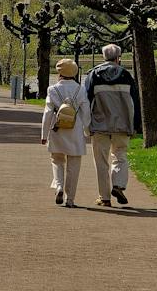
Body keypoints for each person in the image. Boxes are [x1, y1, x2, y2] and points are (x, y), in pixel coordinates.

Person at [82, 43, 140, 207]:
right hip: (122, 124)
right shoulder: (126, 75)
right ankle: (118, 185)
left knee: (101, 161)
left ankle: (104, 197)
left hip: (99, 124)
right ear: (118, 58)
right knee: (120, 155)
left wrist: (86, 125)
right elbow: (135, 102)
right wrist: (135, 125)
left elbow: (86, 101)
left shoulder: (93, 75)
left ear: (103, 57)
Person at [41, 57, 89, 207]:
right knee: (74, 165)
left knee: (57, 160)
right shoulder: (80, 89)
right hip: (75, 130)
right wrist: (86, 130)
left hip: (58, 129)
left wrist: (44, 134)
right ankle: (70, 199)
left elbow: (48, 112)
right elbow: (86, 113)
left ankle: (59, 186)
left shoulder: (52, 89)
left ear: (59, 72)